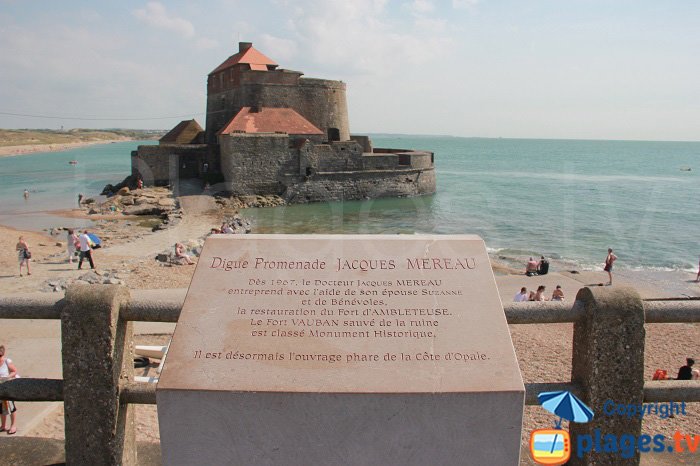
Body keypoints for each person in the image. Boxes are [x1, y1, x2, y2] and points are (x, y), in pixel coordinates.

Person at [0, 345, 18, 435]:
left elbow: (14, 371)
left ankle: (13, 425)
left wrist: (6, 377)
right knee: (1, 407)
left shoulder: (7, 361)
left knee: (11, 407)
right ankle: (3, 425)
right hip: (0, 388)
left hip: (7, 387)